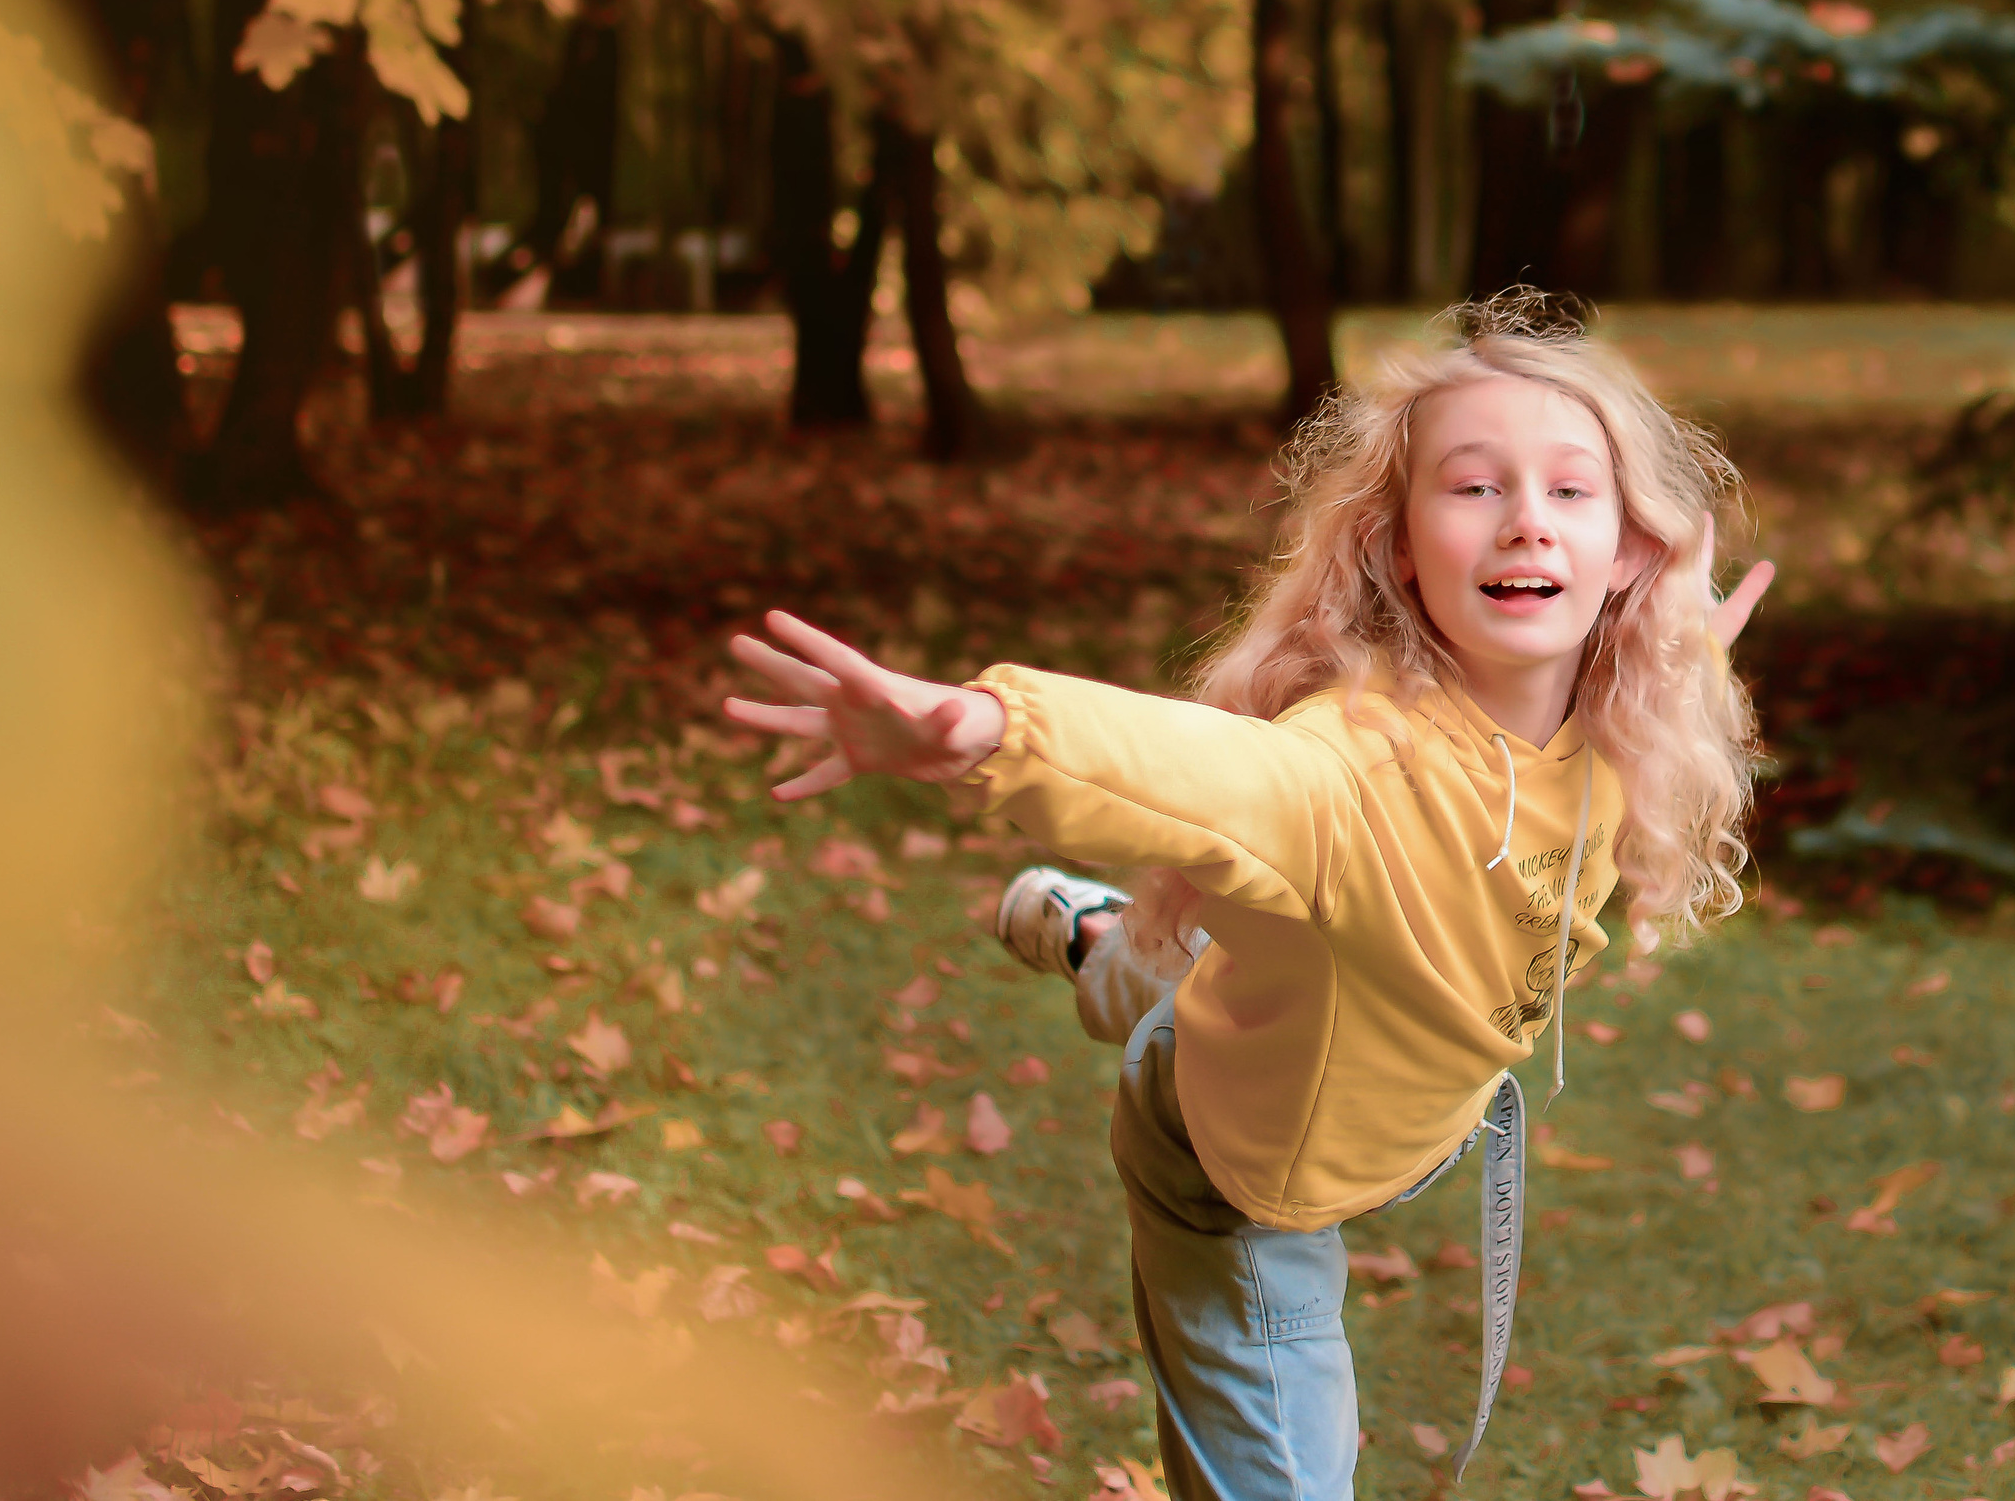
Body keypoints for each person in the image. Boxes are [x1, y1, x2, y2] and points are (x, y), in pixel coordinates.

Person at [723, 298, 1773, 1501]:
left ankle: (1098, 935)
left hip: (1318, 1033)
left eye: (1571, 493)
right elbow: (1177, 769)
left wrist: (1688, 638)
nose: (1526, 518)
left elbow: (1669, 644)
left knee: (1200, 958)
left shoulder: (1625, 712)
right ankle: (1120, 950)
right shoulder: (1342, 776)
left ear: (1632, 554)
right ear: (1393, 543)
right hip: (1236, 1172)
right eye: (1474, 487)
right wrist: (982, 728)